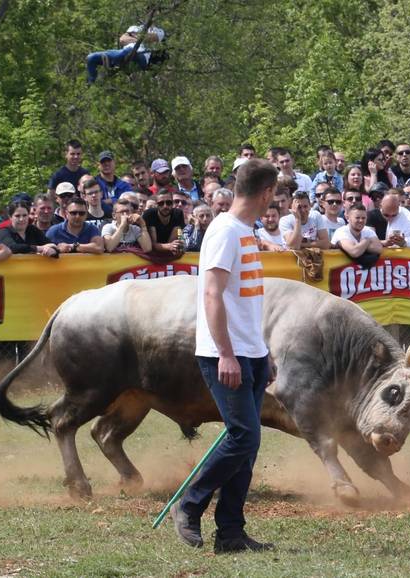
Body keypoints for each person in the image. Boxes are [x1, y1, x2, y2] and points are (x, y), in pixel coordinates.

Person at [171, 158, 277, 554]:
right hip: (223, 354)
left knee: (247, 446)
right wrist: (227, 355)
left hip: (250, 351)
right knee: (243, 435)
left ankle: (230, 533)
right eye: (274, 195)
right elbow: (211, 295)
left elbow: (244, 301)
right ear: (265, 193)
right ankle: (190, 504)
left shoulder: (245, 231)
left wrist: (263, 352)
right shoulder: (224, 232)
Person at [86, 23, 166, 83]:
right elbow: (122, 40)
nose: (150, 11)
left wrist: (132, 36)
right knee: (91, 58)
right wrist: (140, 38)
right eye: (148, 9)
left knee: (127, 52)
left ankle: (113, 64)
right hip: (124, 52)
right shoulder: (135, 27)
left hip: (141, 56)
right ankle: (92, 83)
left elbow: (151, 37)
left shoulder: (159, 31)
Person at [143, 191, 186, 255]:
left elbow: (179, 235)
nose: (165, 206)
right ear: (156, 205)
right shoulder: (149, 214)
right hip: (151, 253)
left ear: (173, 204)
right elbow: (153, 245)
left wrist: (179, 244)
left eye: (168, 203)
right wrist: (169, 246)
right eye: (161, 203)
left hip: (169, 252)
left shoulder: (178, 214)